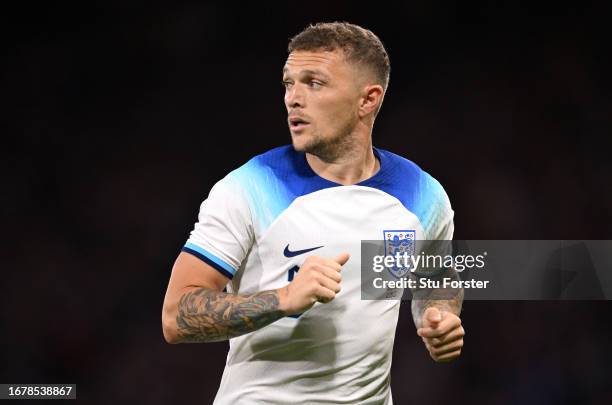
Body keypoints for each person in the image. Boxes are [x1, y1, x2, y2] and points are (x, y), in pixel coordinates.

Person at [162, 22, 464, 404]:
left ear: (368, 100)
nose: (293, 98)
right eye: (289, 83)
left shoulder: (422, 195)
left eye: (314, 83)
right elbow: (175, 316)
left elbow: (436, 273)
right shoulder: (249, 188)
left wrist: (438, 316)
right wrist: (284, 298)